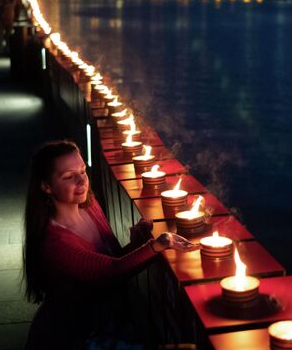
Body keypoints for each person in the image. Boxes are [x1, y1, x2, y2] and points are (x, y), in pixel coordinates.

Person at [23, 141, 197, 349]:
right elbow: (110, 272)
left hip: (108, 322)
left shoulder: (89, 206)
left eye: (83, 171)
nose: (82, 181)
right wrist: (158, 244)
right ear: (46, 186)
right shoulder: (55, 243)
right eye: (68, 177)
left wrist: (140, 242)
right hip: (76, 334)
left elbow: (113, 262)